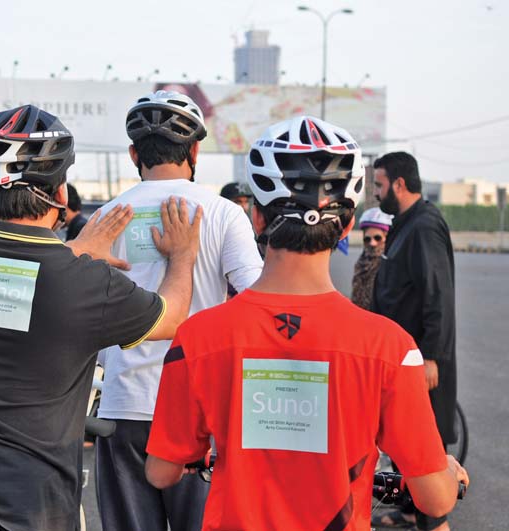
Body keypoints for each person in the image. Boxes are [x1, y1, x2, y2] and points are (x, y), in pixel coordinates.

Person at [0, 104, 202, 531]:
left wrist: (76, 251)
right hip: (26, 511)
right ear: (61, 194)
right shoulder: (83, 284)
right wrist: (184, 255)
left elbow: (17, 273)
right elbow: (172, 318)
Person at [144, 116, 468, 531]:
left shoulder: (197, 337)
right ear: (347, 225)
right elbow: (435, 497)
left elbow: (161, 472)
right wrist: (443, 467)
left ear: (257, 220)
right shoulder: (390, 348)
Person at [94, 90, 262, 531]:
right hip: (200, 411)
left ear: (134, 153)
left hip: (124, 407)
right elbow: (256, 301)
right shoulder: (224, 214)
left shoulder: (106, 217)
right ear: (194, 151)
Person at [371, 152, 458, 531]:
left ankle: (434, 521)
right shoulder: (405, 223)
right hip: (399, 355)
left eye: (379, 184)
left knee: (424, 443)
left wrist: (432, 357)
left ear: (399, 184)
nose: (376, 193)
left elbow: (437, 293)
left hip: (419, 358)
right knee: (402, 437)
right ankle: (410, 510)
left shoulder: (423, 226)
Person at [350, 207, 392, 309]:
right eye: (367, 239)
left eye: (377, 238)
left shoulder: (392, 265)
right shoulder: (361, 263)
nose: (372, 243)